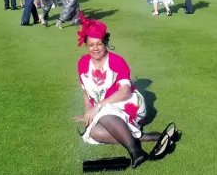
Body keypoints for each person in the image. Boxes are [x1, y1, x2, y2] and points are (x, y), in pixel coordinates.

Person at [74, 12, 178, 169]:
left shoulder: (116, 61)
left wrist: (98, 107)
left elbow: (125, 92)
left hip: (129, 104)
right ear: (86, 45)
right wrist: (88, 112)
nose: (95, 48)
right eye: (91, 45)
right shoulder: (82, 64)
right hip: (106, 109)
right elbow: (86, 92)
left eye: (99, 44)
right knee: (93, 132)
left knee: (103, 114)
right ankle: (145, 137)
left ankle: (135, 151)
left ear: (105, 43)